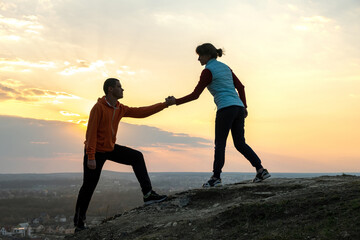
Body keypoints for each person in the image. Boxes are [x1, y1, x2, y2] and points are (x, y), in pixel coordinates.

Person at [74, 78, 173, 232]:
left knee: (137, 157)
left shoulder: (119, 108)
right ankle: (79, 224)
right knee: (88, 186)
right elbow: (90, 133)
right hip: (95, 152)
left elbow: (141, 112)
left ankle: (148, 195)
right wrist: (91, 156)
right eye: (119, 87)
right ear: (110, 89)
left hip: (110, 148)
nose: (123, 89)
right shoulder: (98, 108)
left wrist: (165, 104)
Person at [167, 43, 270, 187]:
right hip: (238, 108)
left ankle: (216, 178)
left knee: (220, 144)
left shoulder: (208, 71)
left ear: (207, 55)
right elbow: (240, 87)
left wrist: (175, 101)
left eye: (200, 56)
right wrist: (244, 106)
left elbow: (195, 95)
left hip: (225, 108)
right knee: (240, 143)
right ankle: (261, 170)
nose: (198, 59)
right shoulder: (226, 68)